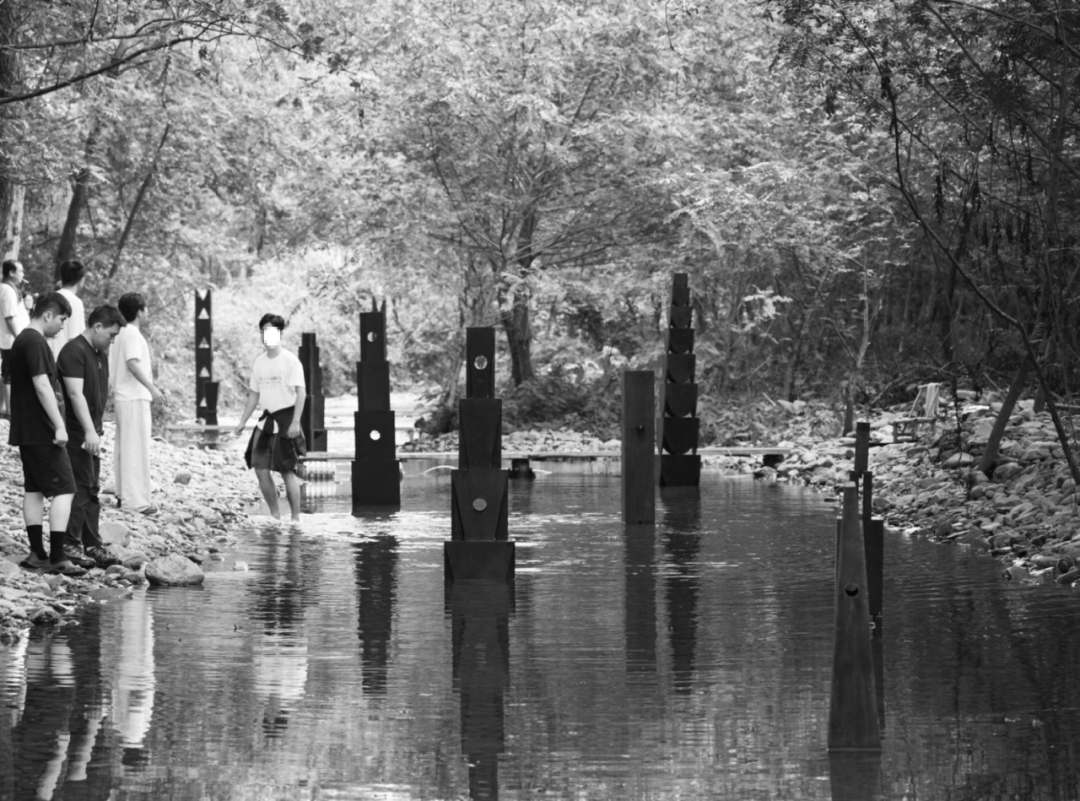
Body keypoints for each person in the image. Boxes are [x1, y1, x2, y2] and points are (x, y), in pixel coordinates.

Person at [9, 291, 84, 575]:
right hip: (42, 431)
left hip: (26, 429)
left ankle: (37, 554)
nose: (62, 326)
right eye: (62, 319)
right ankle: (57, 556)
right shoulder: (36, 341)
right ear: (48, 315)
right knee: (66, 489)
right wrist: (60, 425)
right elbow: (42, 385)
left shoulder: (20, 341)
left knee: (35, 488)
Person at [58, 304, 125, 569]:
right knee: (78, 487)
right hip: (76, 430)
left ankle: (92, 544)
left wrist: (96, 429)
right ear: (97, 327)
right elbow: (74, 395)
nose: (112, 340)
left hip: (93, 430)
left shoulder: (100, 353)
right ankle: (69, 544)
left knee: (92, 489)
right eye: (110, 334)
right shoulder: (74, 351)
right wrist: (87, 430)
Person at [234, 314, 307, 521]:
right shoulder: (259, 362)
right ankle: (275, 515)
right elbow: (254, 394)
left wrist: (295, 422)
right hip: (265, 422)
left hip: (286, 419)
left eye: (271, 331)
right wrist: (243, 421)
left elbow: (301, 392)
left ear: (280, 333)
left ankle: (295, 518)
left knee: (287, 470)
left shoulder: (290, 360)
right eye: (263, 331)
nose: (266, 336)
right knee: (260, 469)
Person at [109, 292, 165, 515]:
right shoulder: (131, 334)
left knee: (125, 448)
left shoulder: (120, 333)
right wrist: (152, 388)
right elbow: (132, 363)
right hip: (133, 396)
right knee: (135, 449)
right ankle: (137, 502)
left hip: (124, 396)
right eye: (146, 308)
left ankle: (125, 495)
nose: (147, 311)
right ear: (140, 311)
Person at [0, 259, 31, 416]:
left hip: (11, 340)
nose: (23, 274)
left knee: (9, 373)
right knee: (10, 375)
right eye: (21, 271)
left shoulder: (8, 289)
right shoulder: (7, 290)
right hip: (12, 341)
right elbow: (9, 318)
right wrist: (19, 338)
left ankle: (6, 408)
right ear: (12, 273)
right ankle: (10, 411)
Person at [50, 259, 88, 358]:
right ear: (81, 280)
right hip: (62, 361)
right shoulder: (75, 303)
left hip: (44, 358)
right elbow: (75, 339)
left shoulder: (48, 298)